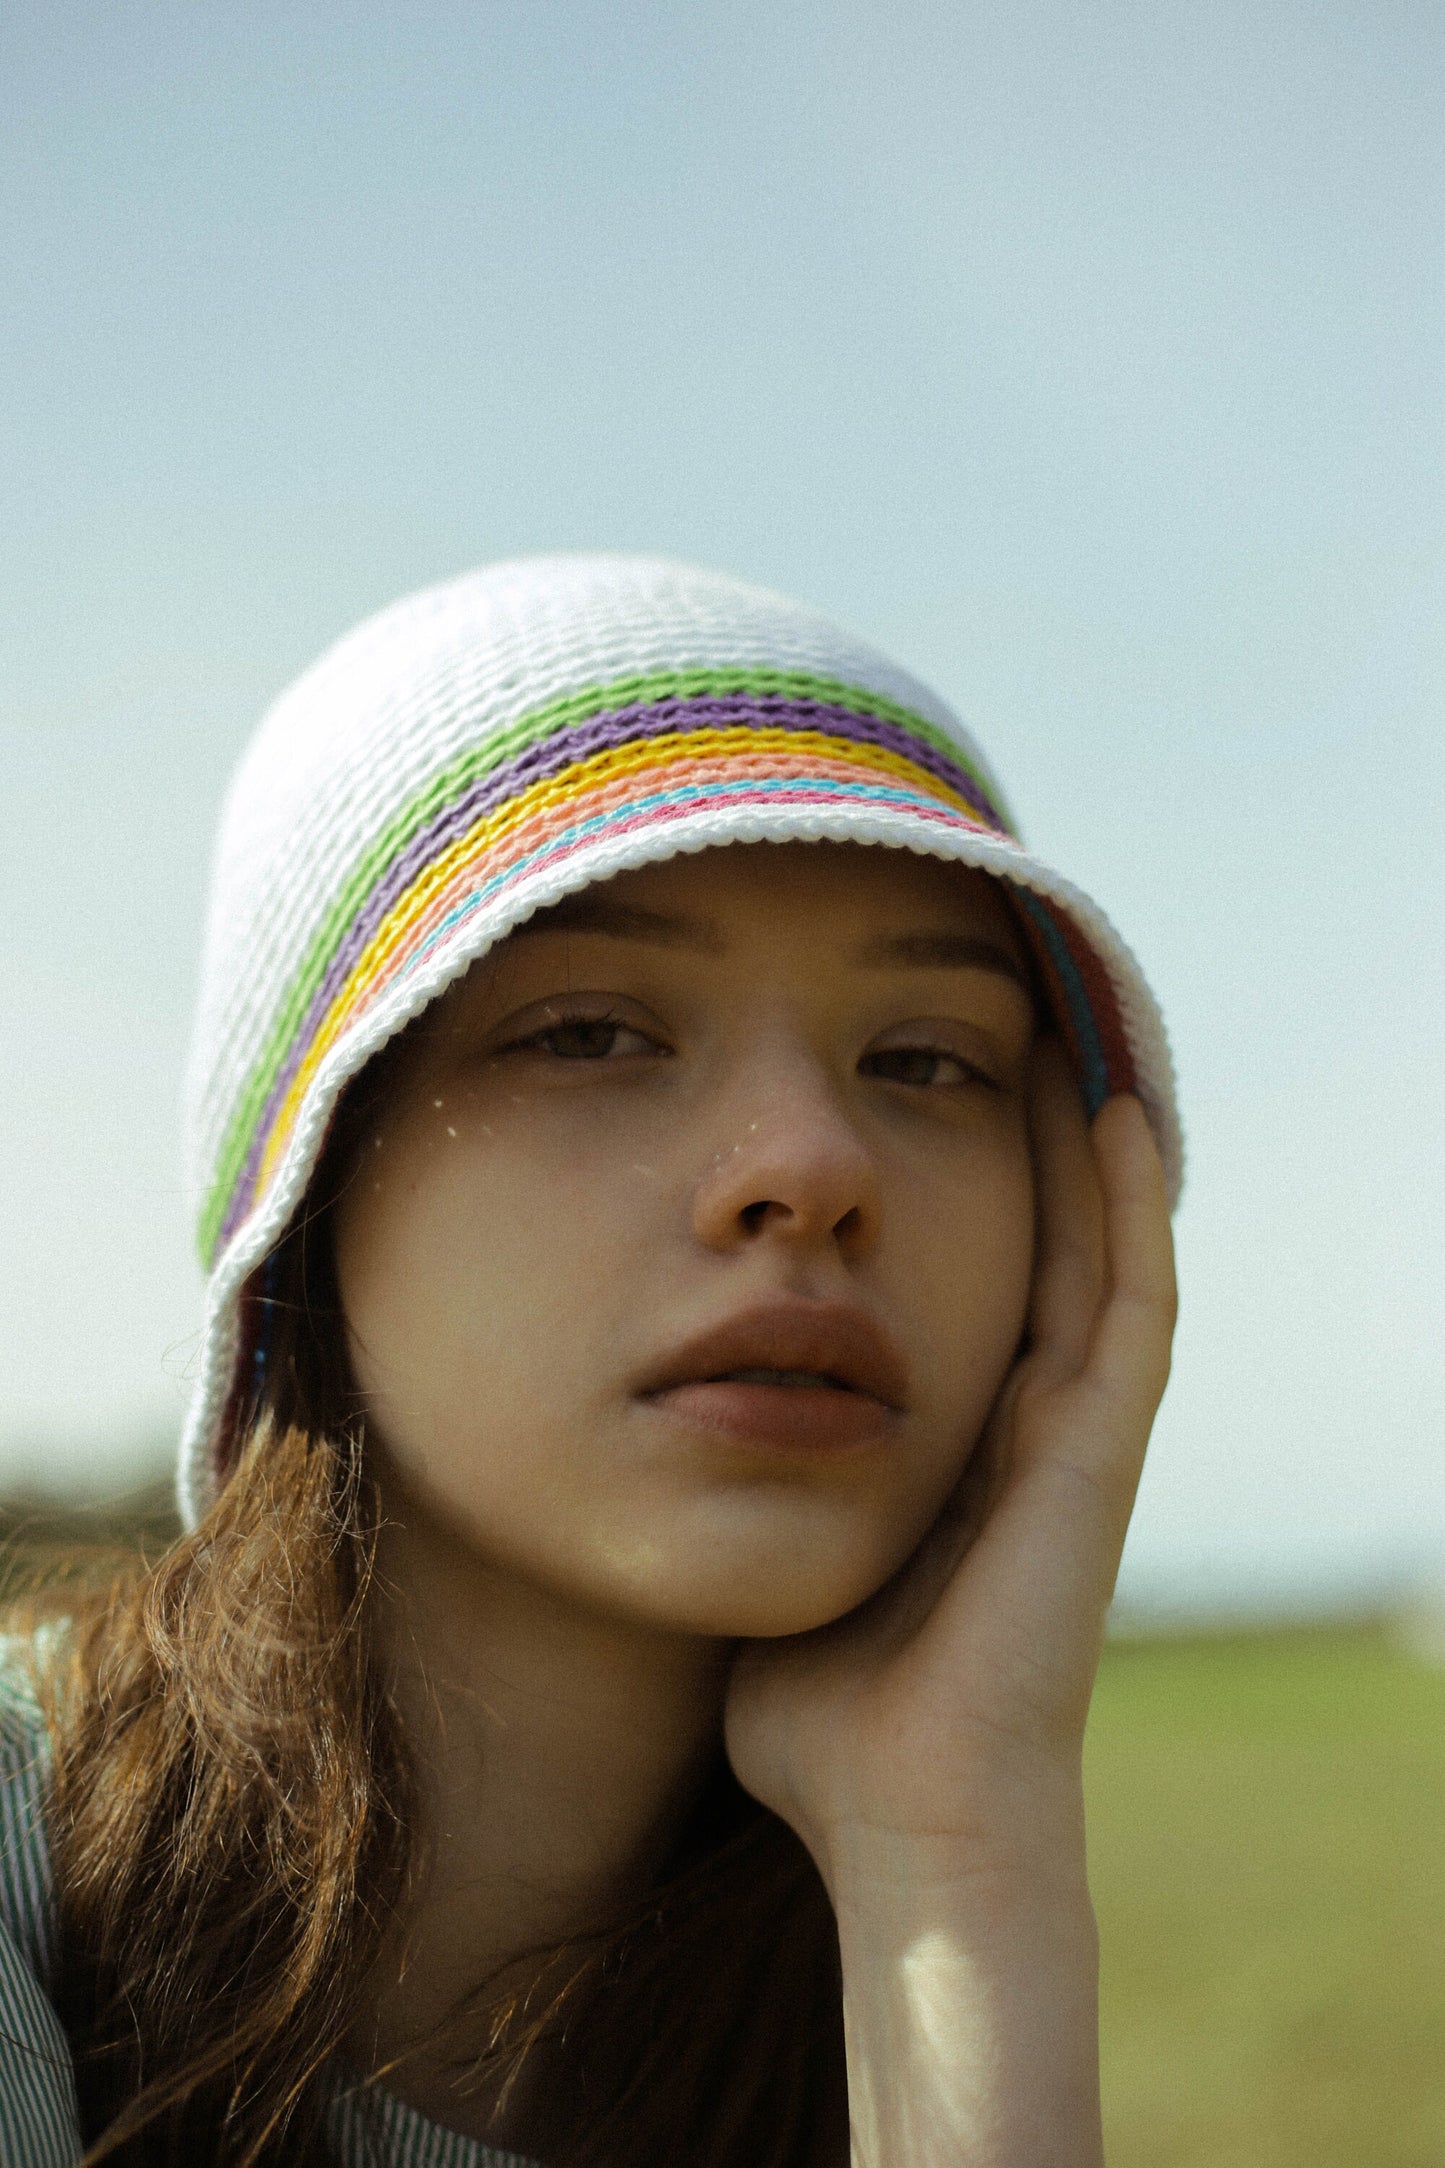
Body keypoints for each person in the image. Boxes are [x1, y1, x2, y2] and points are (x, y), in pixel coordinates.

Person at [0, 555, 1181, 2168]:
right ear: (308, 1193)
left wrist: (954, 1863)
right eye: (590, 1033)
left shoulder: (884, 1987)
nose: (813, 1166)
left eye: (928, 1060)